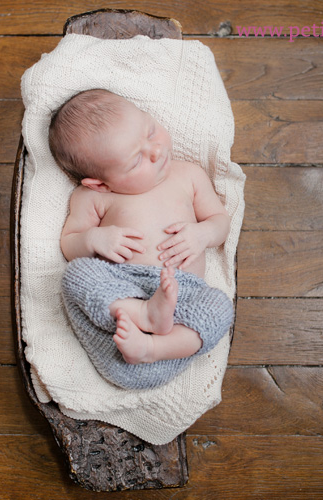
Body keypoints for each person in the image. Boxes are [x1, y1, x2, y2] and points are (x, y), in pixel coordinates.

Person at [50, 89, 234, 390]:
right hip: (121, 293)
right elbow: (69, 243)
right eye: (136, 161)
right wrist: (95, 239)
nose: (156, 151)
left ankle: (155, 349)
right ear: (100, 182)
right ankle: (143, 314)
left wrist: (201, 234)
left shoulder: (188, 175)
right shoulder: (92, 197)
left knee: (219, 306)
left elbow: (221, 223)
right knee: (76, 275)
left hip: (182, 295)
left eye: (151, 131)